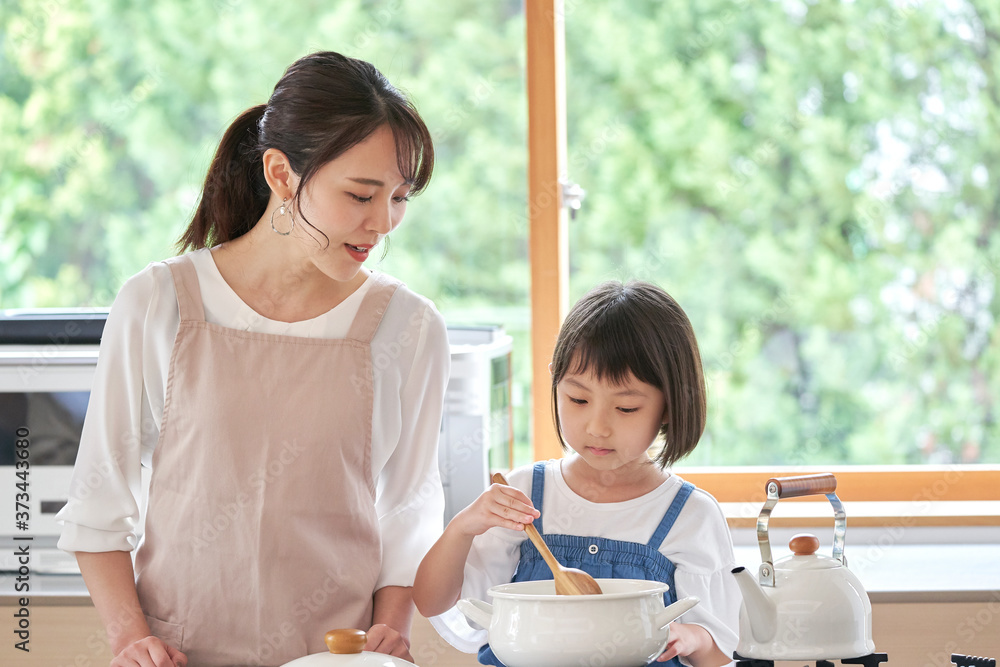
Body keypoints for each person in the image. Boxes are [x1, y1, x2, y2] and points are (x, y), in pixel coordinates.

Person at [56, 51, 450, 667]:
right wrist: (132, 640)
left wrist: (388, 635)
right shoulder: (160, 303)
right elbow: (99, 503)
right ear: (281, 173)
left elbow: (409, 509)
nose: (382, 224)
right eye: (360, 194)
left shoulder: (409, 327)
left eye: (399, 198)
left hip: (335, 658)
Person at [413, 281, 741, 667]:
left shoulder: (692, 515)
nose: (597, 427)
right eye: (578, 399)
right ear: (555, 383)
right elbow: (432, 601)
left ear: (670, 405)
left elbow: (721, 650)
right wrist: (463, 527)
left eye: (627, 408)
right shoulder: (525, 494)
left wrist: (692, 638)